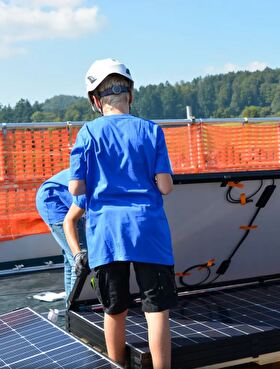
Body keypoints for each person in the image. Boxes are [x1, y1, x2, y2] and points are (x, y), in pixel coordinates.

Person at [69, 58, 176, 368]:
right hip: (148, 228)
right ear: (131, 94)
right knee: (156, 310)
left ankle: (117, 365)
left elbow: (76, 187)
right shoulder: (151, 131)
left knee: (114, 310)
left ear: (94, 100)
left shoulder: (87, 134)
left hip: (106, 233)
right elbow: (166, 186)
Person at [35, 169, 86, 302]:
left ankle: (70, 304)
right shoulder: (99, 180)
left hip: (57, 196)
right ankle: (76, 307)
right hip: (54, 202)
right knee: (80, 259)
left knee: (70, 259)